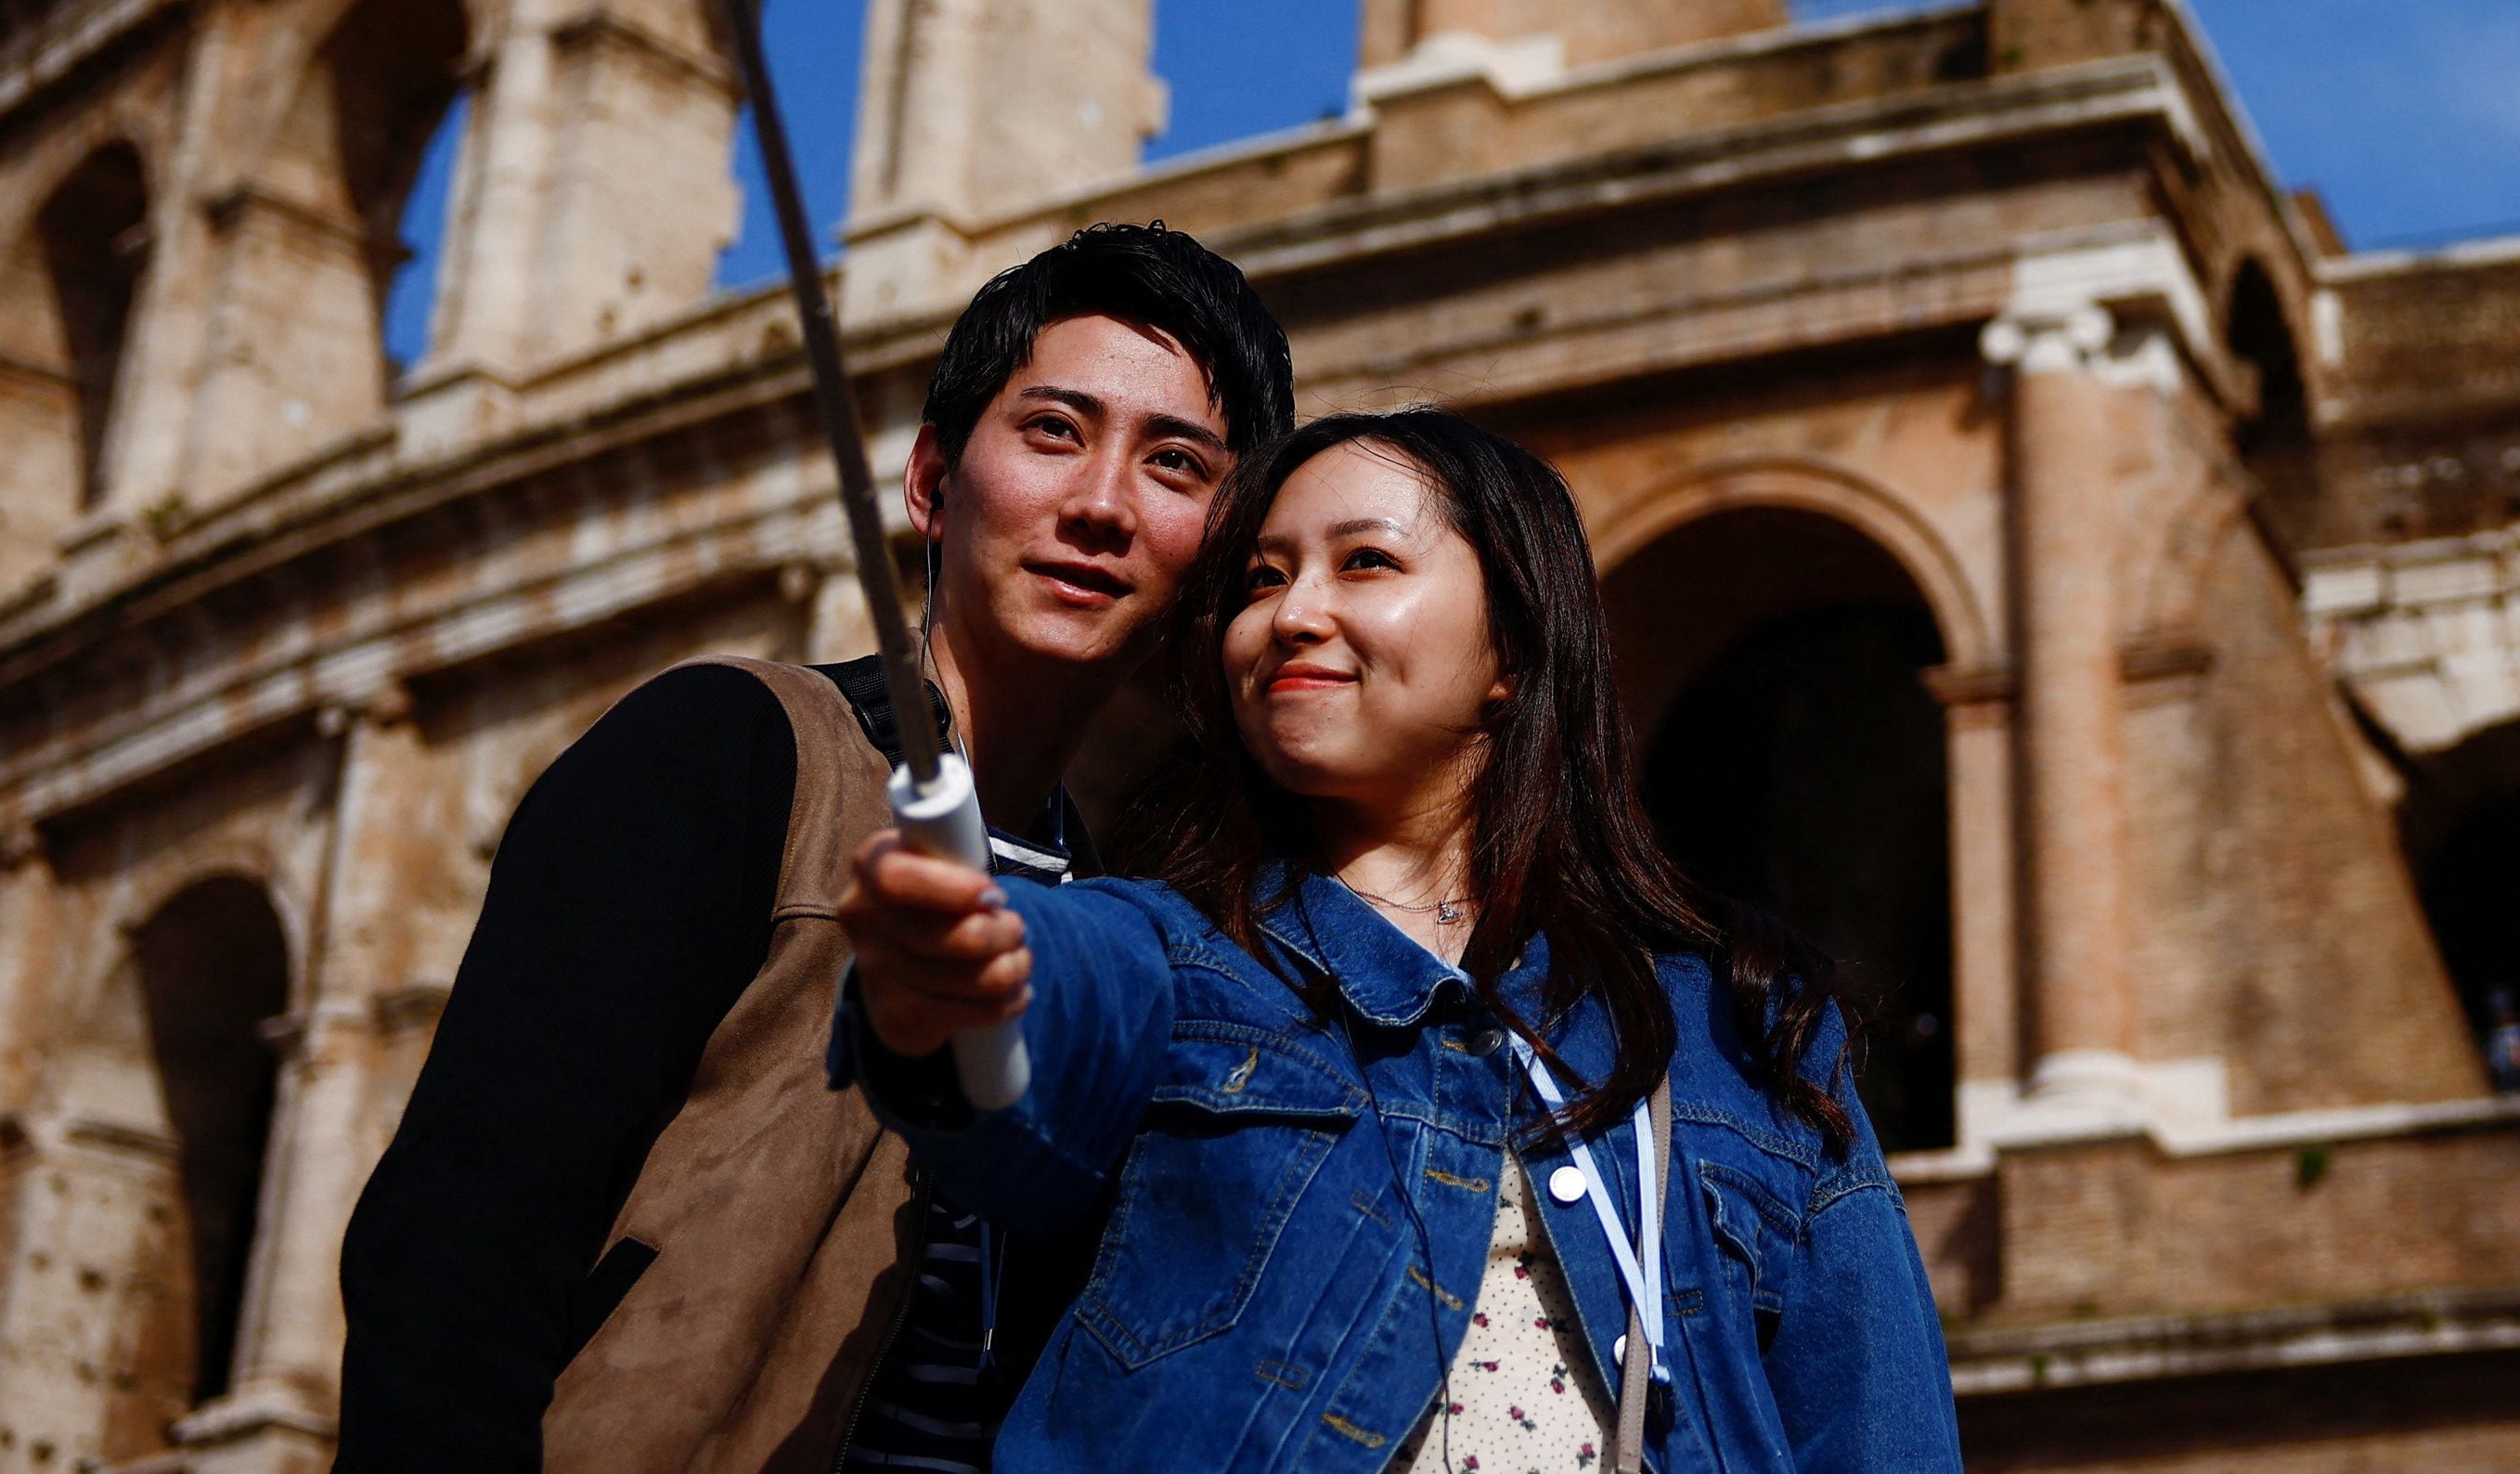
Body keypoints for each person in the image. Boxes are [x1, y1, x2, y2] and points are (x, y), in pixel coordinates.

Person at [834, 407, 1962, 1474]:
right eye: (1261, 580)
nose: (1289, 613)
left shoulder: (1740, 1027)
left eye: (1363, 562)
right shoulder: (1175, 959)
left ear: (1511, 651)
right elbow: (1044, 1017)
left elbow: (1875, 1422)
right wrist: (955, 975)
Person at [336, 221, 1295, 1474]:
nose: (1102, 505)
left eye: (1176, 464)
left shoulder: (1126, 932)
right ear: (930, 482)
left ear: (1221, 548)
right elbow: (459, 1253)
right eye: (1055, 430)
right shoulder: (724, 752)